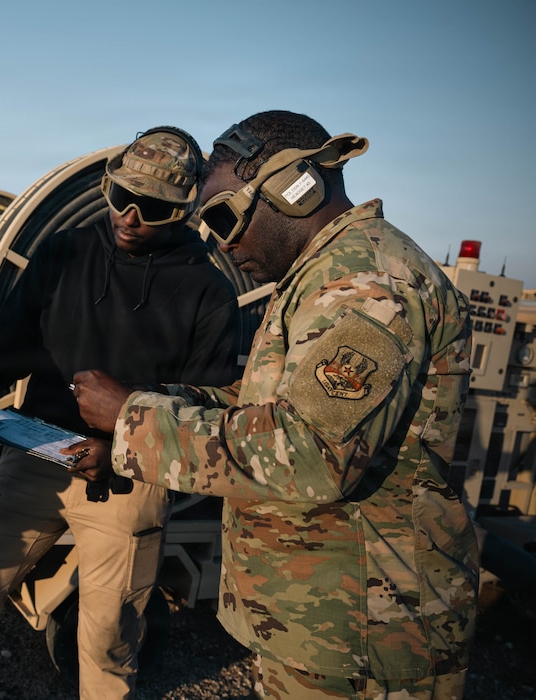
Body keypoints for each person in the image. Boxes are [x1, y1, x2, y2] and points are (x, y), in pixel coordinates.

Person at [69, 110, 479, 699]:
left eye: (223, 216)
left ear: (293, 189)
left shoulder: (367, 286)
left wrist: (133, 421)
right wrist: (150, 406)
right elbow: (266, 405)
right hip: (325, 628)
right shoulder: (321, 275)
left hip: (367, 641)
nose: (221, 241)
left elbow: (311, 454)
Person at [0, 127, 243, 699]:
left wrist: (121, 444)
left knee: (107, 650)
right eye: (122, 197)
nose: (130, 217)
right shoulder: (64, 252)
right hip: (35, 457)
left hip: (130, 482)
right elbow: (8, 346)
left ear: (183, 210)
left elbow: (209, 404)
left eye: (152, 208)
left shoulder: (208, 290)